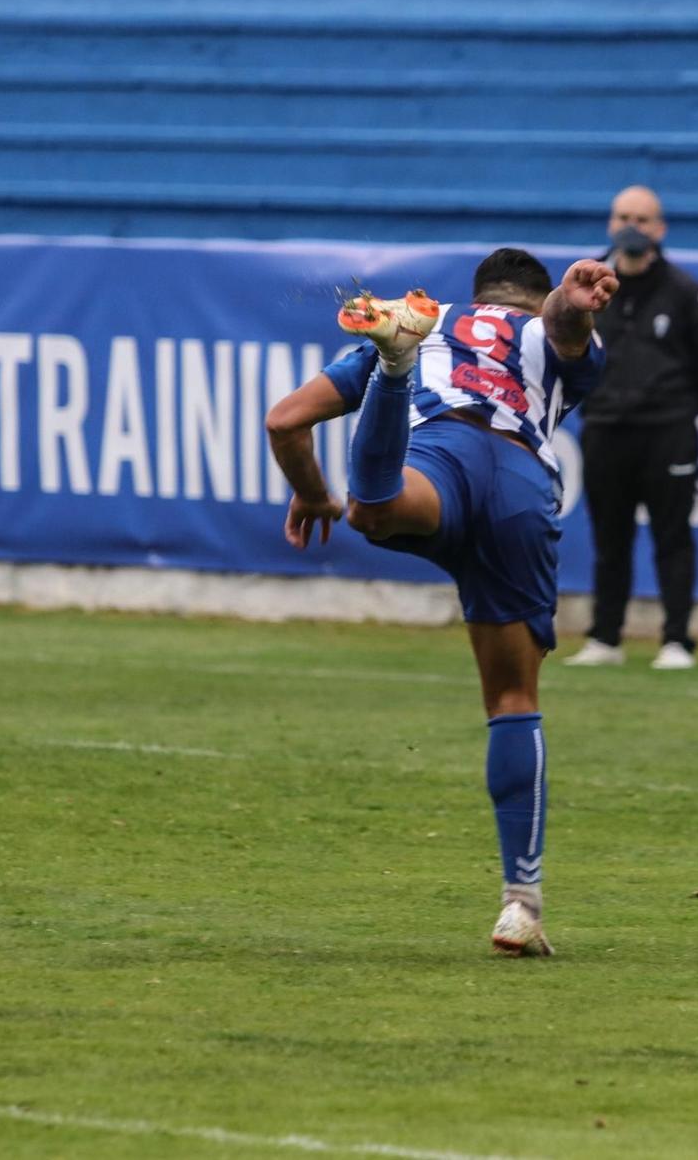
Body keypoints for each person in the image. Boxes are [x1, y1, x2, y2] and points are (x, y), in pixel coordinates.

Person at [265, 248, 616, 957]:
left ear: (478, 292)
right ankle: (521, 904)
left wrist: (309, 491)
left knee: (377, 507)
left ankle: (392, 380)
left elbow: (285, 421)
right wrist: (573, 305)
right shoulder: (545, 332)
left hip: (440, 462)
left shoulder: (432, 322)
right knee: (514, 699)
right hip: (520, 482)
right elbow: (563, 333)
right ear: (535, 296)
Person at [564, 186, 698, 671]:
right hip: (605, 431)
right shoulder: (582, 287)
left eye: (642, 217)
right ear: (610, 223)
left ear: (659, 229)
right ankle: (605, 638)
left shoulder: (685, 291)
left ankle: (676, 640)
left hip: (667, 433)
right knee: (608, 540)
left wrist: (676, 410)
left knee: (672, 536)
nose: (631, 225)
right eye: (622, 216)